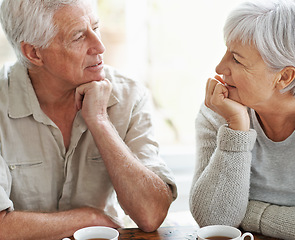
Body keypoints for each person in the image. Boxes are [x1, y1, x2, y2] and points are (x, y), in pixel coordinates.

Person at [0, 0, 177, 239]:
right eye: (78, 36)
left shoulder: (128, 95)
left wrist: (100, 122)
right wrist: (89, 219)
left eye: (96, 27)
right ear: (34, 53)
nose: (100, 46)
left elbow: (151, 214)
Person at [189, 0, 295, 239]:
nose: (219, 67)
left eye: (237, 59)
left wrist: (246, 212)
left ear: (284, 77)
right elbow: (213, 222)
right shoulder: (218, 112)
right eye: (226, 52)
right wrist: (236, 128)